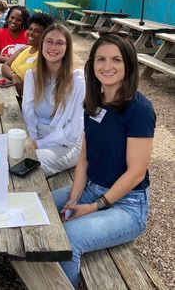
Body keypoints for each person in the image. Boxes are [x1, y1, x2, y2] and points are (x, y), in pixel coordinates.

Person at [52, 33, 156, 288]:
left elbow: (136, 174)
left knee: (69, 237)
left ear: (128, 65)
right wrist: (75, 197)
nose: (107, 66)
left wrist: (94, 206)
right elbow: (85, 157)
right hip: (91, 188)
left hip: (128, 205)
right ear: (92, 65)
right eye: (101, 59)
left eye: (116, 60)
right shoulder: (94, 101)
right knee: (43, 207)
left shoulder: (139, 110)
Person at [22, 23, 85, 177]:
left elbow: (74, 131)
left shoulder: (78, 81)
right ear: (42, 44)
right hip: (37, 136)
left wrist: (38, 144)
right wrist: (32, 139)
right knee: (9, 154)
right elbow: (28, 114)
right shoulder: (32, 75)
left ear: (67, 48)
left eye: (59, 43)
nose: (53, 47)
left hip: (66, 144)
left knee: (27, 165)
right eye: (49, 41)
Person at [1, 12, 53, 96]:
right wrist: (14, 76)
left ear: (46, 35)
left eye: (37, 31)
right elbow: (5, 66)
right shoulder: (24, 48)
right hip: (10, 92)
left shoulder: (45, 57)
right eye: (30, 29)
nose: (31, 33)